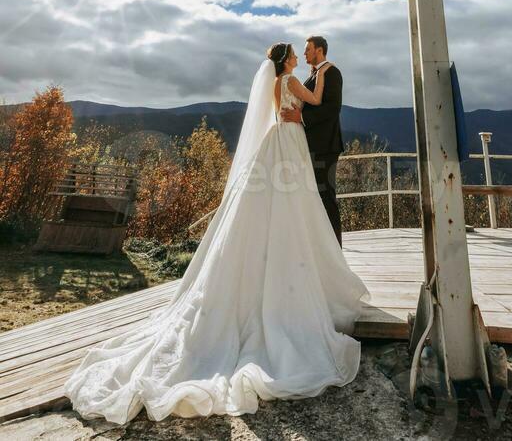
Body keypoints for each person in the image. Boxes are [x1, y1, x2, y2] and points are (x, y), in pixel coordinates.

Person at [63, 43, 368, 425]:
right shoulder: (297, 78)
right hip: (291, 142)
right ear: (286, 60)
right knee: (296, 205)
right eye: (296, 53)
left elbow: (291, 108)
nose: (299, 57)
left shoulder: (276, 82)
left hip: (279, 139)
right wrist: (321, 76)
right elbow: (317, 101)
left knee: (275, 204)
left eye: (304, 53)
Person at [279, 36, 344, 245]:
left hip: (325, 146)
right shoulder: (312, 75)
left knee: (326, 197)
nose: (304, 53)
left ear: (319, 50)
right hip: (308, 146)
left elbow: (333, 108)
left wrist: (302, 118)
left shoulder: (332, 73)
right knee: (314, 198)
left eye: (308, 49)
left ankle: (335, 249)